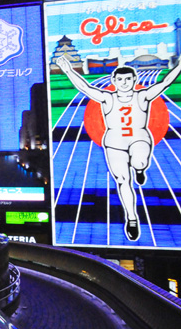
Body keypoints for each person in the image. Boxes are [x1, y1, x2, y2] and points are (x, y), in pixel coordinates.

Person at [55, 55, 181, 241]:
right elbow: (85, 88)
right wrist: (67, 70)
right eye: (120, 79)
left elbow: (166, 82)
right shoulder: (107, 98)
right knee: (123, 180)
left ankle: (139, 169)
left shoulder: (143, 96)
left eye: (128, 79)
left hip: (139, 139)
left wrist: (179, 67)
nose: (124, 83)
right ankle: (131, 217)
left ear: (134, 80)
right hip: (114, 143)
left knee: (139, 161)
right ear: (114, 81)